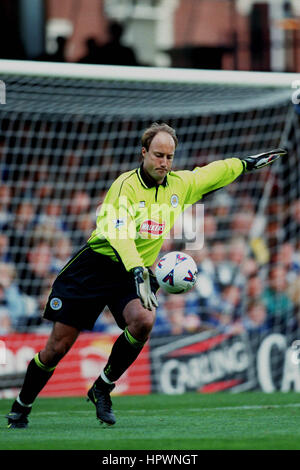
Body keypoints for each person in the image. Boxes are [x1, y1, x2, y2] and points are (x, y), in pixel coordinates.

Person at [6, 122, 284, 429]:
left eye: (169, 156)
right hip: (96, 266)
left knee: (144, 321)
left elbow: (211, 172)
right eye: (158, 155)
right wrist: (137, 268)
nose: (164, 162)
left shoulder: (179, 185)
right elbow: (119, 233)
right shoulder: (124, 186)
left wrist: (244, 164)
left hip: (131, 273)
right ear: (144, 153)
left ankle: (102, 387)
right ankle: (22, 405)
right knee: (57, 347)